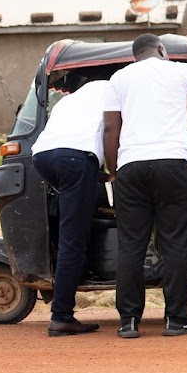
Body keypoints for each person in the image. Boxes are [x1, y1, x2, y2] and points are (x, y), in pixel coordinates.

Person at [103, 32, 187, 338]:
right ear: (161, 49)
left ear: (135, 55)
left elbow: (111, 128)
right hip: (173, 165)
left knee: (131, 246)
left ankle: (129, 322)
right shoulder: (179, 70)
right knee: (175, 245)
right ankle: (176, 320)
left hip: (131, 167)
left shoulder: (118, 79)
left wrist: (114, 172)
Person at [30, 72, 111, 336]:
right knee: (73, 239)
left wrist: (101, 176)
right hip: (74, 159)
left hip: (43, 158)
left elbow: (68, 150)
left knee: (73, 227)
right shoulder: (114, 90)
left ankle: (73, 285)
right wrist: (116, 172)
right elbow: (114, 132)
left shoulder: (71, 100)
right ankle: (61, 317)